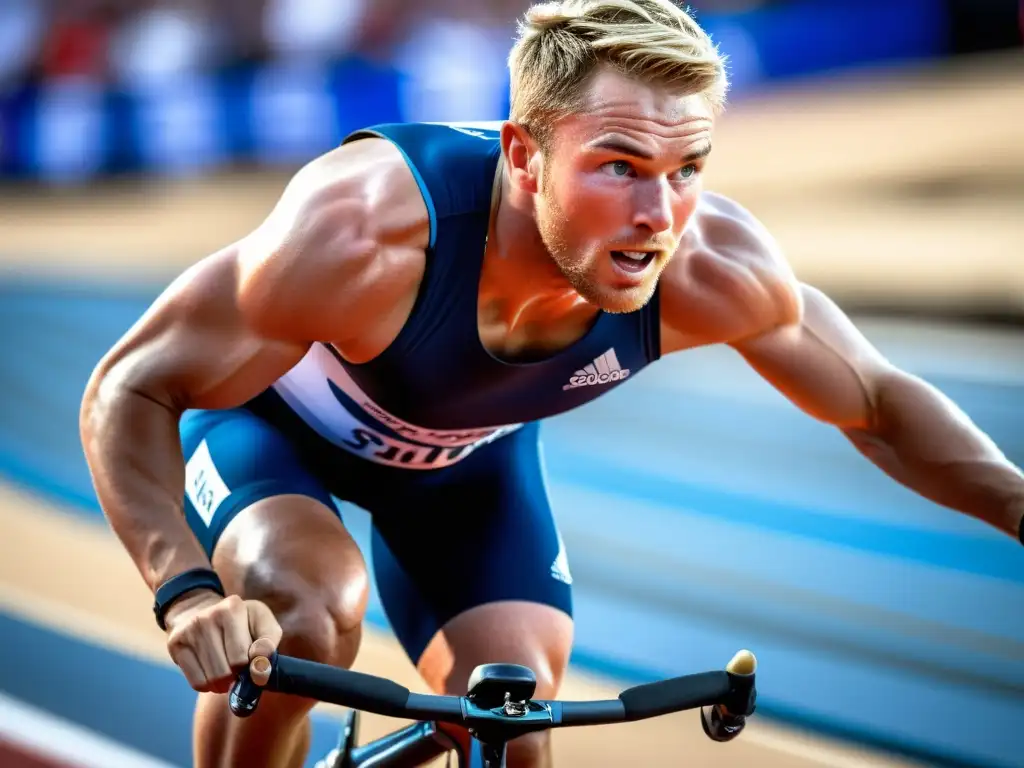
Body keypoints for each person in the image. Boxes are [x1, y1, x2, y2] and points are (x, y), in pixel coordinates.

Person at [79, 1, 1024, 767]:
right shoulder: (362, 229)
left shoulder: (709, 266)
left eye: (687, 167)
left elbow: (881, 407)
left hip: (461, 472)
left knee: (512, 723)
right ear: (525, 156)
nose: (659, 214)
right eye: (619, 165)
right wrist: (189, 593)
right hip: (270, 430)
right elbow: (129, 386)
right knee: (311, 612)